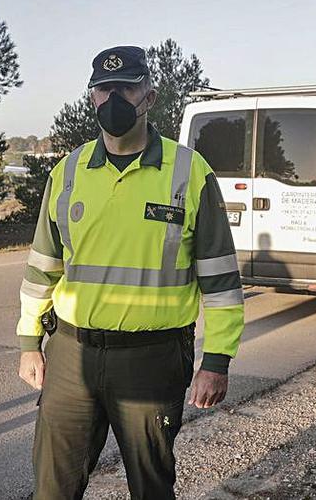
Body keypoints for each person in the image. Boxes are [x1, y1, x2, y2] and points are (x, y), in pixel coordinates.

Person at [16, 45, 245, 499]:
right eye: (104, 89)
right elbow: (43, 267)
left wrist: (216, 361)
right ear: (92, 98)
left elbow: (220, 279)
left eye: (127, 87)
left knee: (151, 487)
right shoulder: (66, 173)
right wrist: (29, 344)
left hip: (152, 360)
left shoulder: (189, 172)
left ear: (150, 96)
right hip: (70, 355)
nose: (114, 98)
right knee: (51, 489)